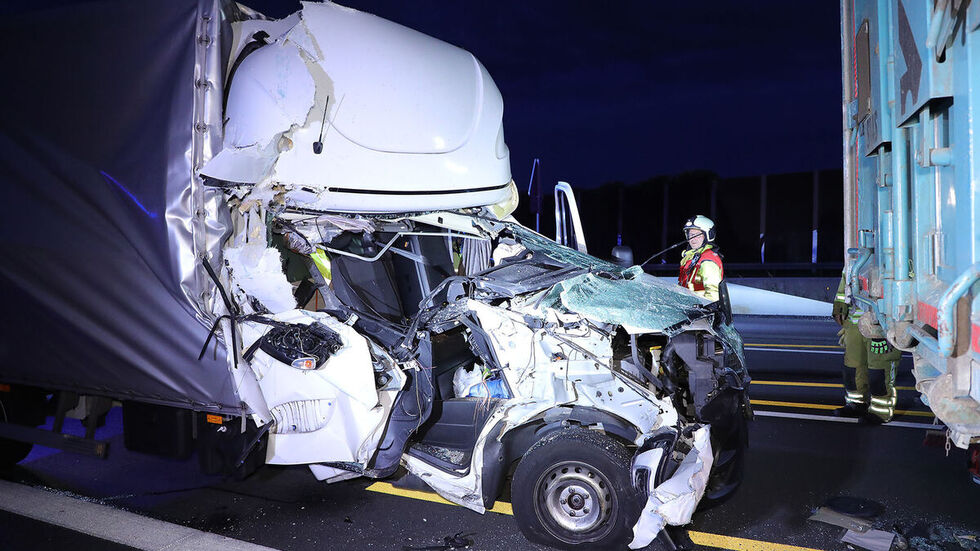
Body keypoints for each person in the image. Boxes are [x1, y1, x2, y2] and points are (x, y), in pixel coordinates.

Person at [832, 272, 901, 423]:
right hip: (855, 322)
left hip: (881, 321)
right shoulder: (853, 252)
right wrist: (839, 305)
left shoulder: (890, 251)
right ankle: (856, 404)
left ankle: (881, 411)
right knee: (852, 367)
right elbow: (846, 278)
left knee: (879, 369)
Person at [678, 215, 724, 301]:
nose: (693, 239)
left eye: (698, 235)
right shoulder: (690, 258)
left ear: (708, 235)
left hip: (701, 310)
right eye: (691, 235)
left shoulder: (707, 260)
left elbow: (713, 292)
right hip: (688, 306)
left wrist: (707, 310)